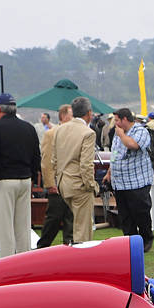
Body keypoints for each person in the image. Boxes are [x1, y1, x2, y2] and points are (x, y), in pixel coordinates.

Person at [0, 92, 39, 257]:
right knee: (23, 229)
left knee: (4, 229)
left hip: (3, 181)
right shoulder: (28, 127)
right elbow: (36, 157)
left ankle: (7, 267)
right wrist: (32, 177)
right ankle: (25, 266)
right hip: (24, 180)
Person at [104, 108, 154, 251]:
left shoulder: (141, 131)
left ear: (125, 120)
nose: (115, 124)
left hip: (137, 182)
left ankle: (146, 239)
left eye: (117, 120)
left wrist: (121, 135)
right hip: (120, 183)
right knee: (125, 215)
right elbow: (115, 155)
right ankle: (130, 241)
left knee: (141, 212)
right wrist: (109, 173)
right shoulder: (117, 134)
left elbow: (134, 145)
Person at [52, 96, 98, 243]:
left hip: (63, 184)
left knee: (78, 225)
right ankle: (83, 262)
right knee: (83, 230)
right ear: (89, 113)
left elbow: (54, 160)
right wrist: (91, 185)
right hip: (79, 185)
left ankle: (79, 258)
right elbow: (86, 164)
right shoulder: (88, 133)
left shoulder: (59, 129)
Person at [38, 104, 74, 247]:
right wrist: (50, 183)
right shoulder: (51, 134)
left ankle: (70, 247)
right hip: (57, 184)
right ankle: (43, 247)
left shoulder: (75, 133)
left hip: (72, 184)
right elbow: (46, 161)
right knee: (53, 218)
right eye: (72, 115)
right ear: (63, 116)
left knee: (70, 219)